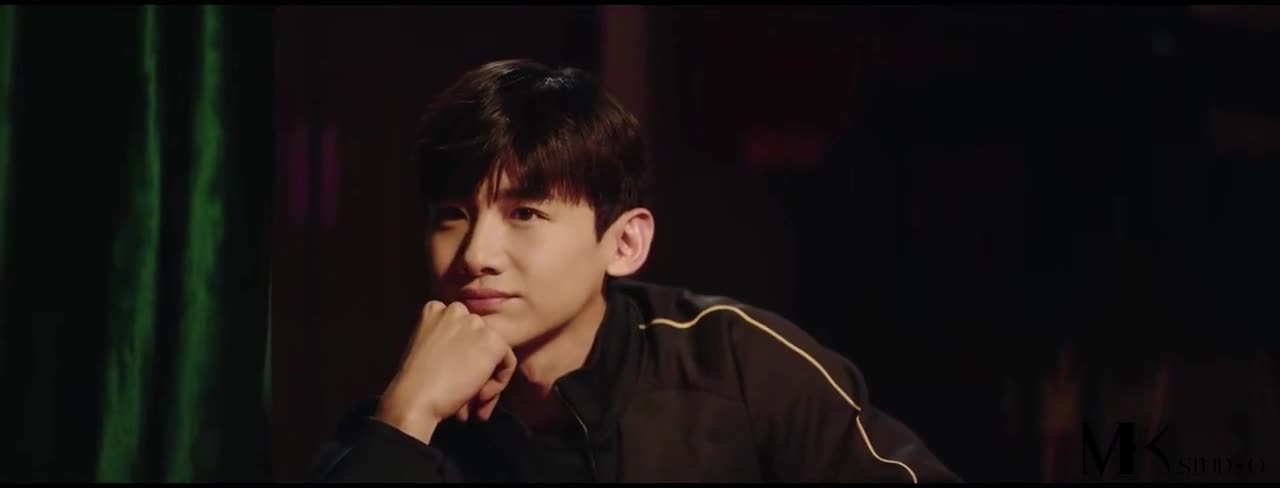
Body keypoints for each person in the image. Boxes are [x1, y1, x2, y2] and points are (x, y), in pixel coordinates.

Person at [308, 59, 960, 483]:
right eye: (452, 216)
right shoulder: (409, 414)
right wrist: (407, 416)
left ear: (624, 243)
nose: (476, 253)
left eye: (525, 213)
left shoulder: (735, 367)